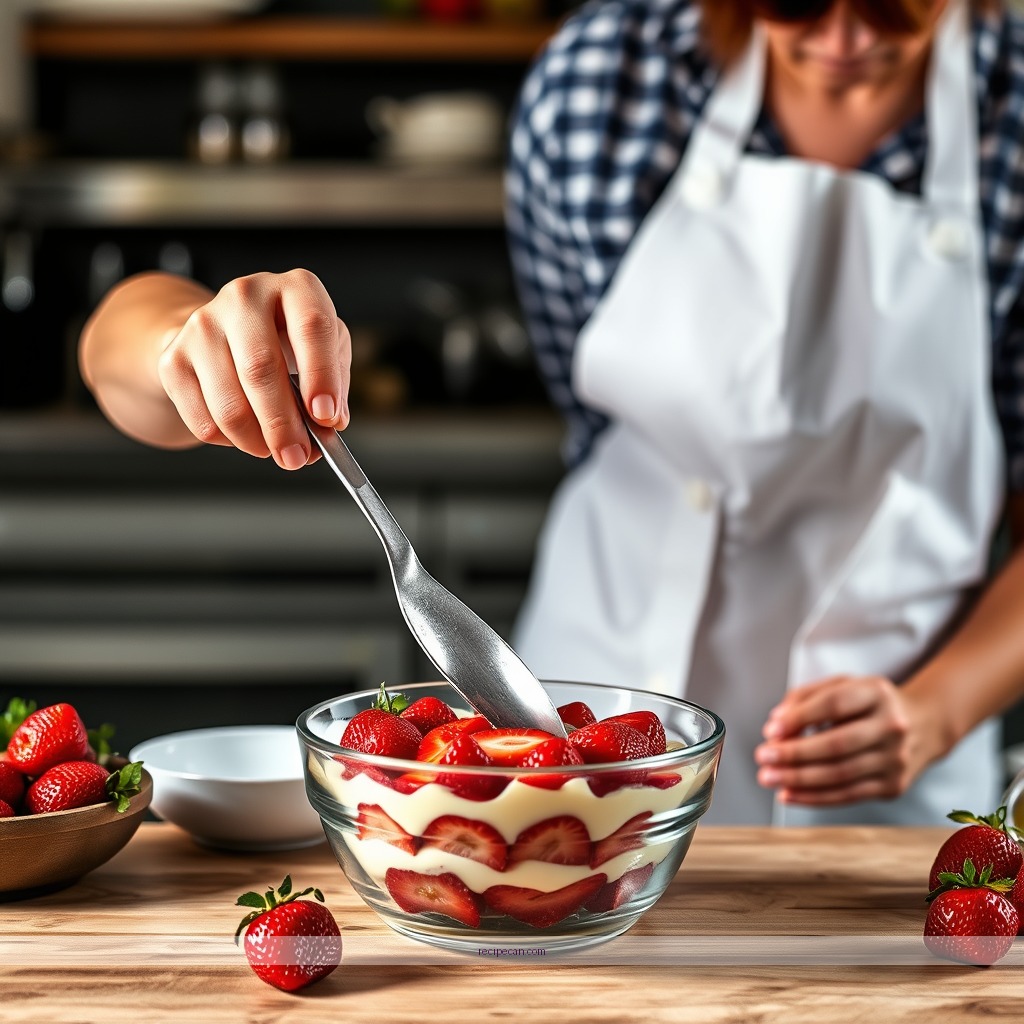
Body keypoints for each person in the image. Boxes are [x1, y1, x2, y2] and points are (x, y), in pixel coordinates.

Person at [79, 0, 1024, 825]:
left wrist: (941, 705)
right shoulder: (605, 83)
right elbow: (110, 353)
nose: (848, 34)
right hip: (571, 740)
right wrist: (178, 342)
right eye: (797, 0)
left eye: (901, 3)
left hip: (892, 764)